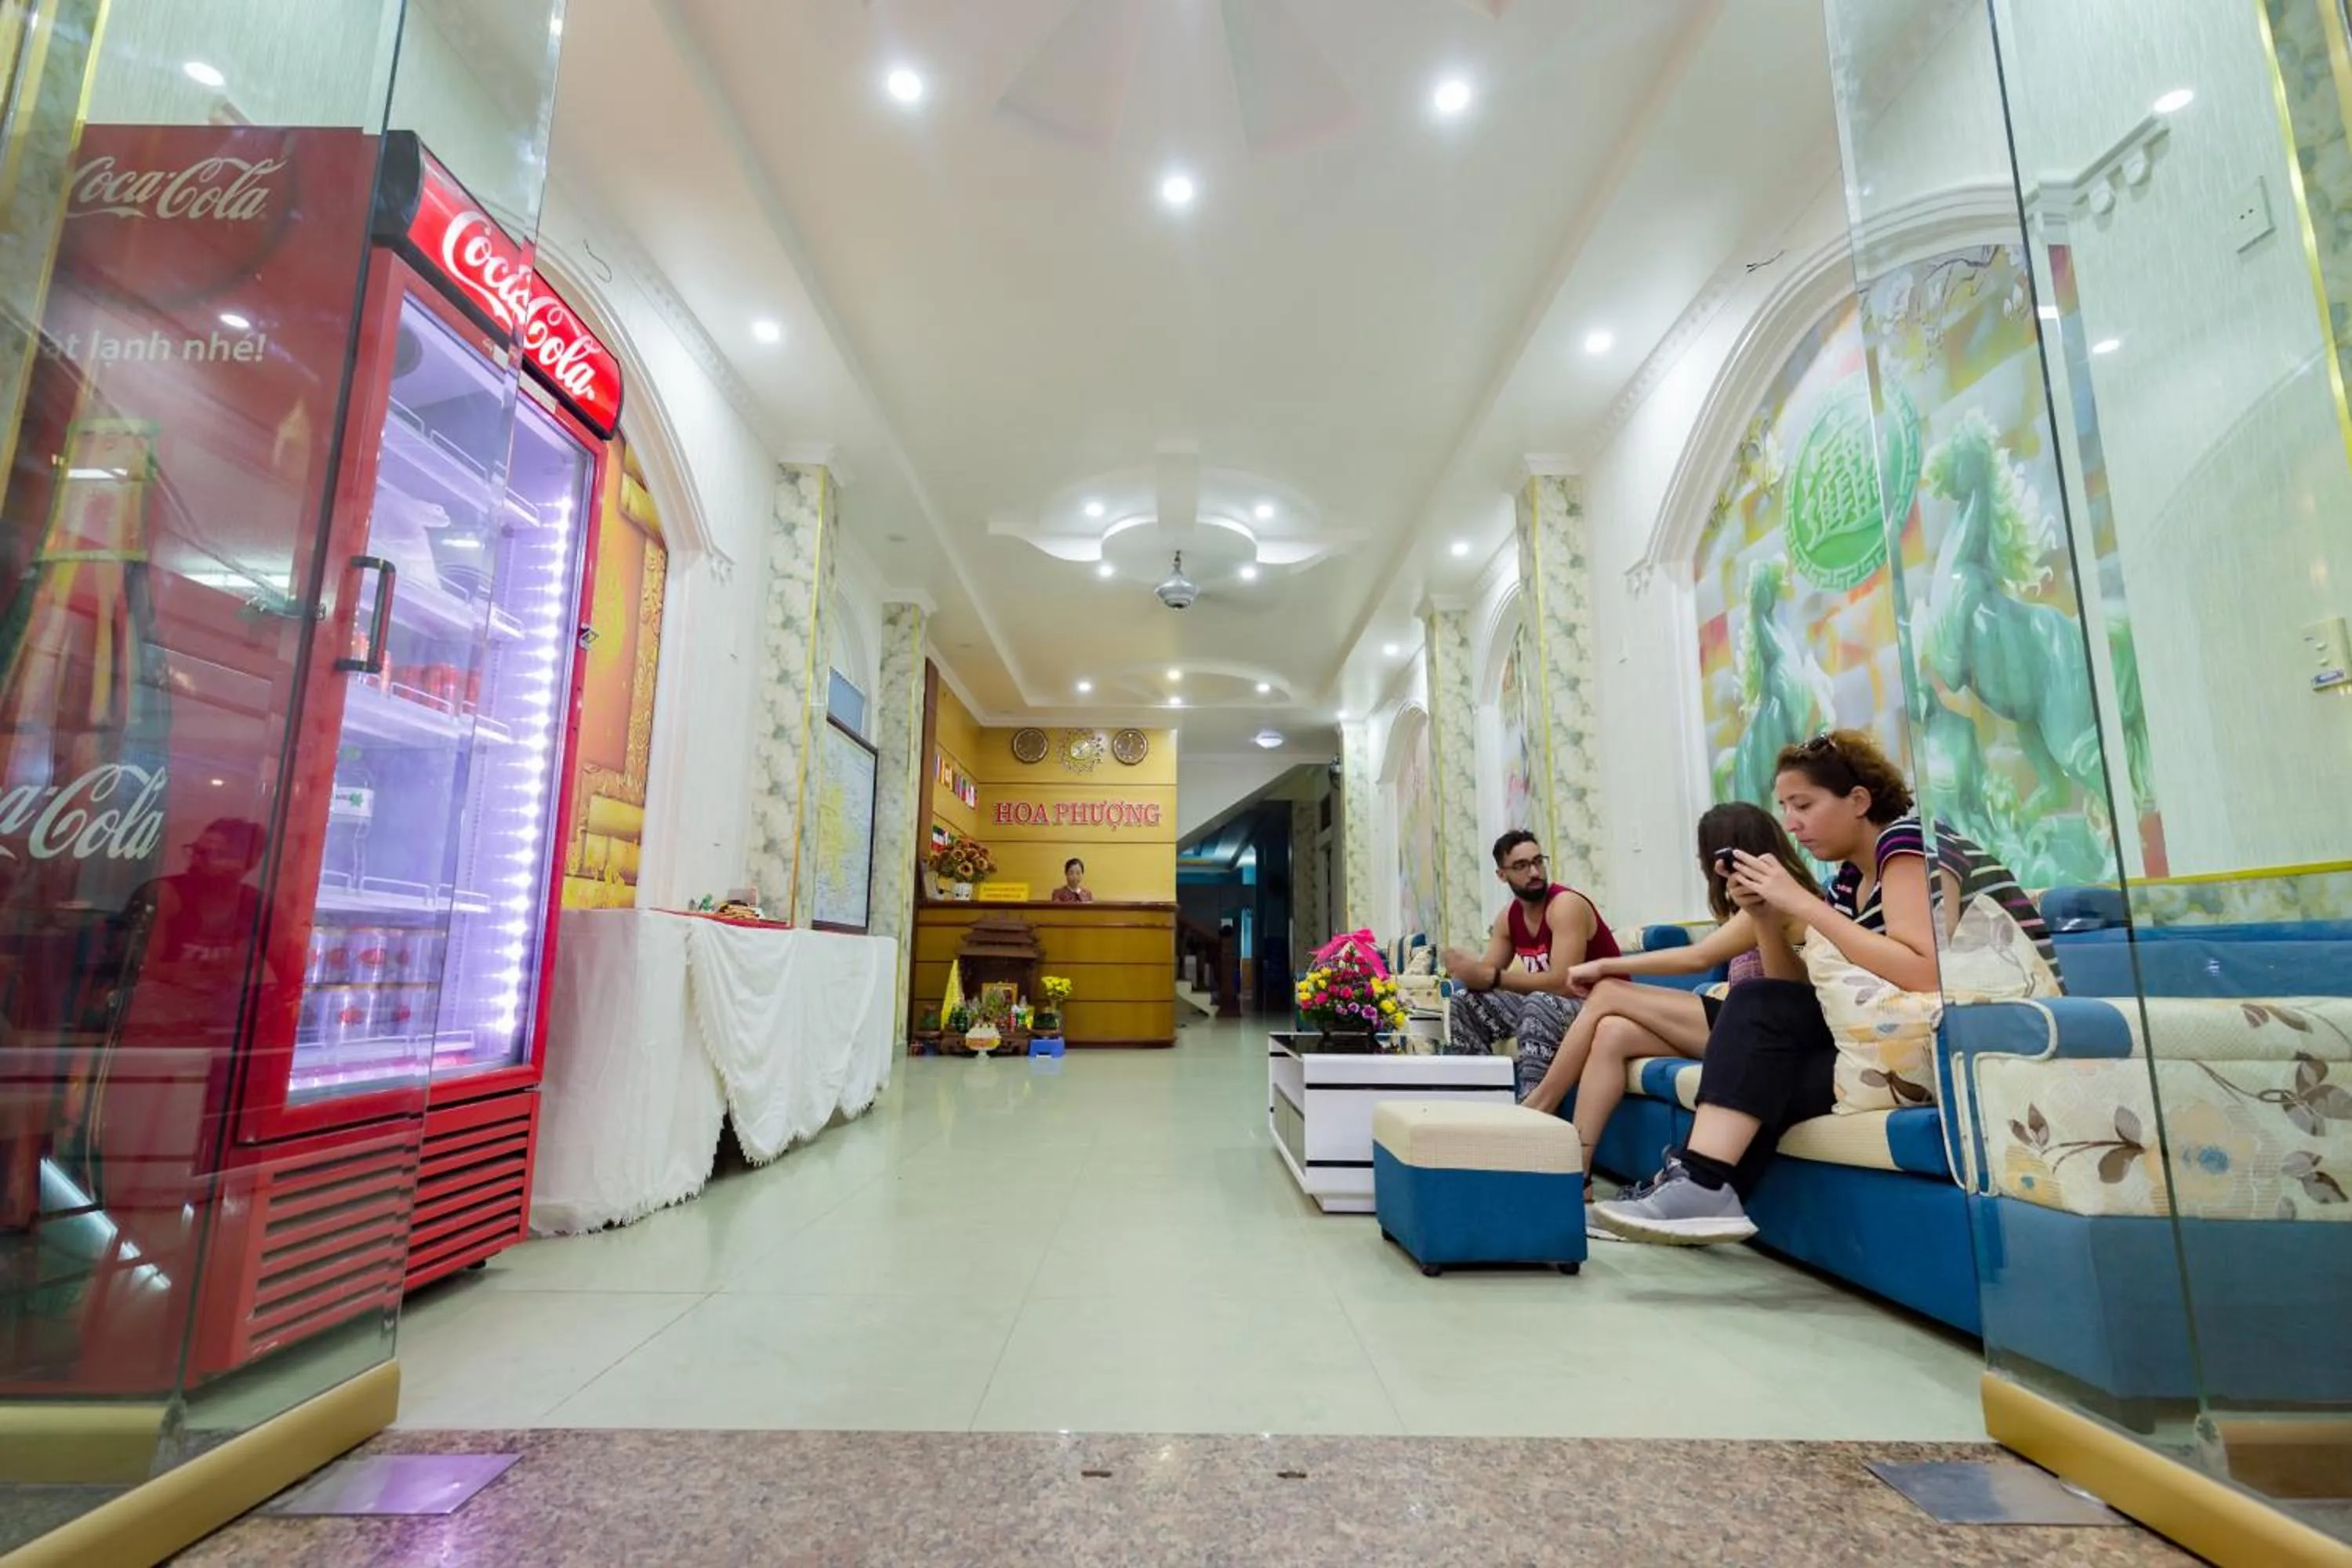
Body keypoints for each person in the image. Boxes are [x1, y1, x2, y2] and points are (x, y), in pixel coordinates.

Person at [1594, 730, 2054, 1245]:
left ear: (1858, 800)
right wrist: (1767, 916)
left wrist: (1802, 904)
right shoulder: (1846, 882)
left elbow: (1925, 973)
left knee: (1757, 1015)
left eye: (1803, 805)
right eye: (1786, 808)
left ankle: (1699, 1184)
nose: (1791, 824)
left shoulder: (1907, 844)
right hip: (1897, 1039)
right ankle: (1698, 1189)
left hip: (1974, 1042)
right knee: (1764, 1044)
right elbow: (1799, 994)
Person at [1519, 805, 1820, 1179]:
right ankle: (1576, 1171)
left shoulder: (1775, 896)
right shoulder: (1758, 900)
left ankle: (1538, 1105)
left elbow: (1698, 957)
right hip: (1739, 1023)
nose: (1701, 863)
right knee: (1612, 1031)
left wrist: (1603, 966)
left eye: (1703, 854)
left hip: (1760, 1036)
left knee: (1609, 992)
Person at [1442, 829, 1620, 1092]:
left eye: (1538, 862)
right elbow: (1486, 977)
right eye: (1522, 866)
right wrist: (1466, 970)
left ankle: (1532, 1113)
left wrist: (1492, 977)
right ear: (1502, 875)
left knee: (1538, 1003)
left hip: (1601, 1003)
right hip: (1553, 1005)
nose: (1535, 873)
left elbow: (1563, 983)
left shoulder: (1565, 905)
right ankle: (1479, 1099)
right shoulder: (1508, 918)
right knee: (1462, 1003)